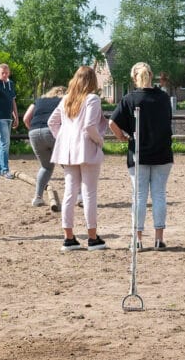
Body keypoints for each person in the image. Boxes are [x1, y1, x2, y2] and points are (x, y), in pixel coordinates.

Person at [108, 62, 174, 251]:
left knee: (139, 196)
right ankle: (159, 239)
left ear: (134, 78)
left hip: (138, 153)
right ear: (151, 76)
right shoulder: (163, 98)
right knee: (159, 194)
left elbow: (112, 122)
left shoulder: (129, 99)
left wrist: (123, 137)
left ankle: (137, 239)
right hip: (162, 153)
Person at [49, 66, 108, 252]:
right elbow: (90, 126)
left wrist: (64, 138)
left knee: (69, 192)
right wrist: (100, 142)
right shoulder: (92, 99)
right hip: (86, 148)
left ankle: (68, 237)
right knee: (89, 193)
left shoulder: (66, 99)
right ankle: (92, 237)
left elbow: (52, 122)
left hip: (67, 151)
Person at [22, 86, 65, 210]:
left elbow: (26, 118)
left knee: (45, 167)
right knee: (68, 166)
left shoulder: (39, 100)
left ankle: (38, 197)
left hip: (34, 133)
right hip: (52, 131)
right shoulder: (62, 100)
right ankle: (78, 196)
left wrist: (34, 130)